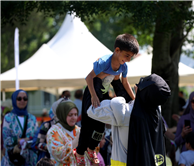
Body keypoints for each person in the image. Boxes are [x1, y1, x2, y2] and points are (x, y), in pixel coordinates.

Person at [76, 33, 139, 165]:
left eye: (131, 57)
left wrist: (135, 100)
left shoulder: (123, 66)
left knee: (100, 126)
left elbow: (125, 83)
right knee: (88, 124)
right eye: (127, 55)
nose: (128, 59)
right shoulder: (104, 62)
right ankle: (80, 152)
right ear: (117, 50)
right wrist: (93, 95)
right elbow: (89, 78)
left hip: (104, 92)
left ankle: (91, 149)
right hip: (92, 90)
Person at [87, 74, 171, 166]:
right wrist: (117, 82)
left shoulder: (125, 112)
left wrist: (100, 81)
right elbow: (135, 104)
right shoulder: (157, 111)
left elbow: (90, 110)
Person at [2, 89, 38, 166]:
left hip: (30, 160)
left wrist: (30, 140)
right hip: (13, 160)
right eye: (19, 98)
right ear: (14, 100)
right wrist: (19, 140)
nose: (22, 101)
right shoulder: (8, 118)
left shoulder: (32, 119)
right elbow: (6, 141)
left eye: (25, 98)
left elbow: (36, 137)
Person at [32, 98, 69, 162]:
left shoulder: (72, 126)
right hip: (50, 161)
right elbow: (37, 144)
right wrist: (51, 146)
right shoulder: (47, 125)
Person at [46, 101, 80, 165]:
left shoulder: (78, 130)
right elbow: (59, 155)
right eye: (70, 115)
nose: (74, 118)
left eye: (75, 114)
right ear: (62, 115)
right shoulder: (53, 131)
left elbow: (92, 152)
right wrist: (76, 141)